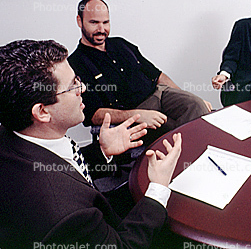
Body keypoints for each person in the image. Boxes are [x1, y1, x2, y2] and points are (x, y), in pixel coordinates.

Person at [0, 39, 182, 248]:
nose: (83, 88)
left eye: (77, 79)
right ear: (42, 112)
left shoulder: (13, 134)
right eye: (72, 86)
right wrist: (158, 188)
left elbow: (62, 169)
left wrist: (101, 151)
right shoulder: (66, 214)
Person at [68, 0, 210, 144]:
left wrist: (186, 96)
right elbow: (93, 114)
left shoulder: (121, 44)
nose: (101, 29)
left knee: (198, 107)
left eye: (105, 22)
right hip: (135, 112)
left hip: (160, 92)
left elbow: (157, 75)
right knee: (177, 131)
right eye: (94, 23)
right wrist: (137, 115)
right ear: (79, 21)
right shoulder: (76, 63)